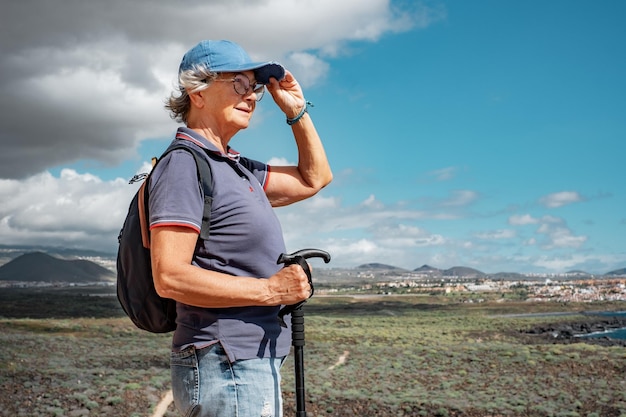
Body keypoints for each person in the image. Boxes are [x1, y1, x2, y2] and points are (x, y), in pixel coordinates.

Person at [149, 39, 332, 417]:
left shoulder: (235, 166)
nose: (250, 96)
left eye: (254, 88)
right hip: (224, 362)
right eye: (238, 84)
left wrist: (297, 112)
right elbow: (169, 276)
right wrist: (271, 289)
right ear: (196, 92)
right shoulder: (185, 164)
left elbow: (314, 179)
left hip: (246, 363)